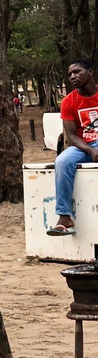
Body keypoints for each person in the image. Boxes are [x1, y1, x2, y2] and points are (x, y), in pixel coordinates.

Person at [49, 58, 98, 236]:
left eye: (77, 72)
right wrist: (91, 150)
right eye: (70, 74)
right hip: (85, 145)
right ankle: (64, 216)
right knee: (62, 161)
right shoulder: (69, 101)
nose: (73, 76)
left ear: (90, 72)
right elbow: (71, 135)